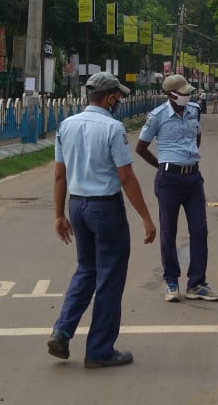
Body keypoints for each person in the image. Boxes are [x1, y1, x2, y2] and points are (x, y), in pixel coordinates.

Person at [47, 72, 157, 368]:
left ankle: (62, 330)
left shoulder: (66, 125)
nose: (119, 102)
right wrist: (146, 217)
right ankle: (99, 350)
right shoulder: (112, 128)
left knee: (86, 270)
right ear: (109, 98)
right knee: (109, 277)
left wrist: (59, 215)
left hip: (77, 206)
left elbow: (60, 174)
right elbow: (126, 176)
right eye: (118, 97)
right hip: (105, 209)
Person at [136, 74, 218, 303]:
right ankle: (172, 281)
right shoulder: (157, 117)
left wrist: (189, 157)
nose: (188, 96)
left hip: (193, 179)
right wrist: (162, 165)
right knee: (168, 232)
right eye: (183, 93)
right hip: (169, 181)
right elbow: (141, 147)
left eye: (188, 92)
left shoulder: (194, 110)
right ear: (171, 95)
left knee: (199, 231)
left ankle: (196, 283)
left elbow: (197, 136)